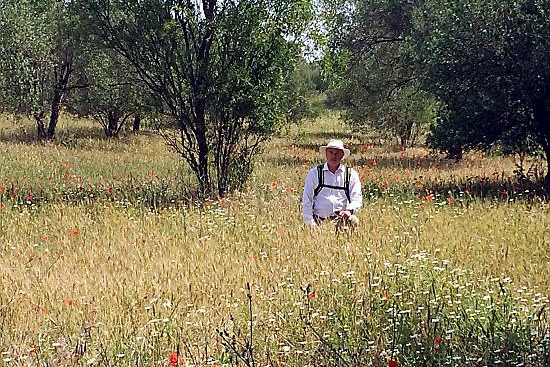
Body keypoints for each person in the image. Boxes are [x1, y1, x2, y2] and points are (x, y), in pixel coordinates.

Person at [302, 139, 362, 227]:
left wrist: (349, 211)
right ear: (326, 154)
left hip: (341, 220)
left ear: (342, 155)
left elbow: (357, 198)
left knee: (354, 221)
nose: (333, 156)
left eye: (337, 153)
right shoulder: (314, 173)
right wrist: (310, 224)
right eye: (331, 152)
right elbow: (307, 200)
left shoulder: (350, 174)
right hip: (318, 220)